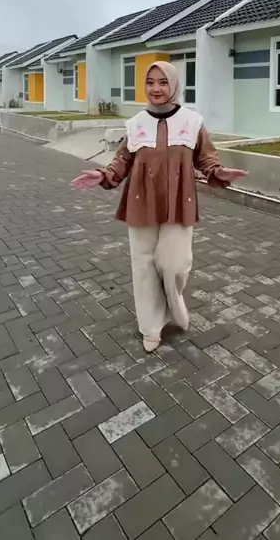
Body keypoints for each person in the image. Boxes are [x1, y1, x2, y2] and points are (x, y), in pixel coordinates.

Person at [71, 61, 247, 352]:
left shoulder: (192, 122)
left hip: (179, 203)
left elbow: (206, 158)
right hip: (141, 202)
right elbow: (122, 160)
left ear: (174, 86)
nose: (155, 88)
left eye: (163, 82)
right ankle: (151, 327)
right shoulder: (136, 123)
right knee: (143, 267)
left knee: (175, 265)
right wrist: (103, 175)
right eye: (150, 82)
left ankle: (173, 309)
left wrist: (218, 172)